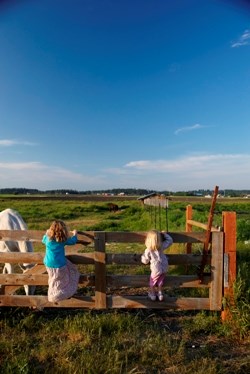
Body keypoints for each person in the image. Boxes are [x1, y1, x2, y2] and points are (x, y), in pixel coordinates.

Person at [42, 220, 80, 302]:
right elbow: (73, 241)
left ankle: (52, 293)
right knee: (62, 279)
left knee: (53, 278)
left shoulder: (47, 239)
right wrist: (75, 234)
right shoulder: (62, 240)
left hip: (48, 263)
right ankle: (60, 294)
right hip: (60, 264)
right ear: (63, 230)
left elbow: (43, 239)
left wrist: (46, 232)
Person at [141, 229, 173, 301]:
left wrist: (142, 258)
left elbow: (145, 261)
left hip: (156, 268)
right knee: (160, 281)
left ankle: (153, 295)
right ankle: (160, 294)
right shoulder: (161, 246)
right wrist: (164, 234)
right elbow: (170, 241)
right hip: (164, 266)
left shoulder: (148, 250)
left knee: (152, 281)